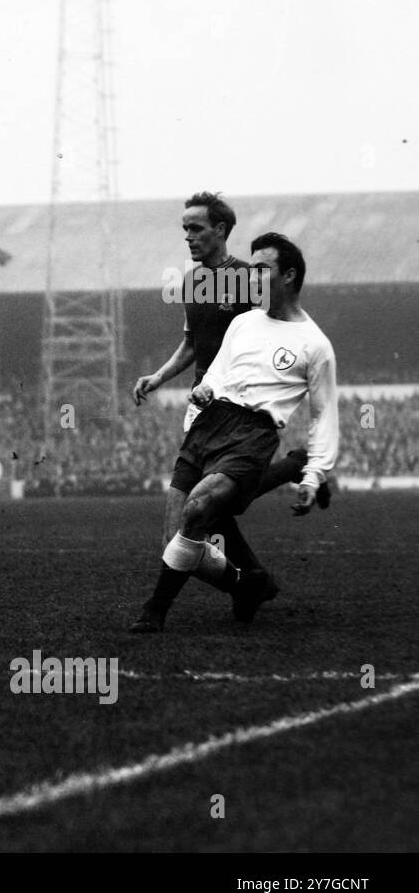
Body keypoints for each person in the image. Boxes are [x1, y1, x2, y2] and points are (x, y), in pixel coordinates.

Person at [131, 233, 337, 633]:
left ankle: (154, 611)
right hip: (209, 423)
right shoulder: (243, 322)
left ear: (290, 275)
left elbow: (324, 415)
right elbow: (217, 375)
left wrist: (316, 474)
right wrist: (204, 390)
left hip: (252, 433)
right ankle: (247, 584)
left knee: (199, 509)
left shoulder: (315, 344)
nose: (253, 277)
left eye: (263, 270)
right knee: (176, 536)